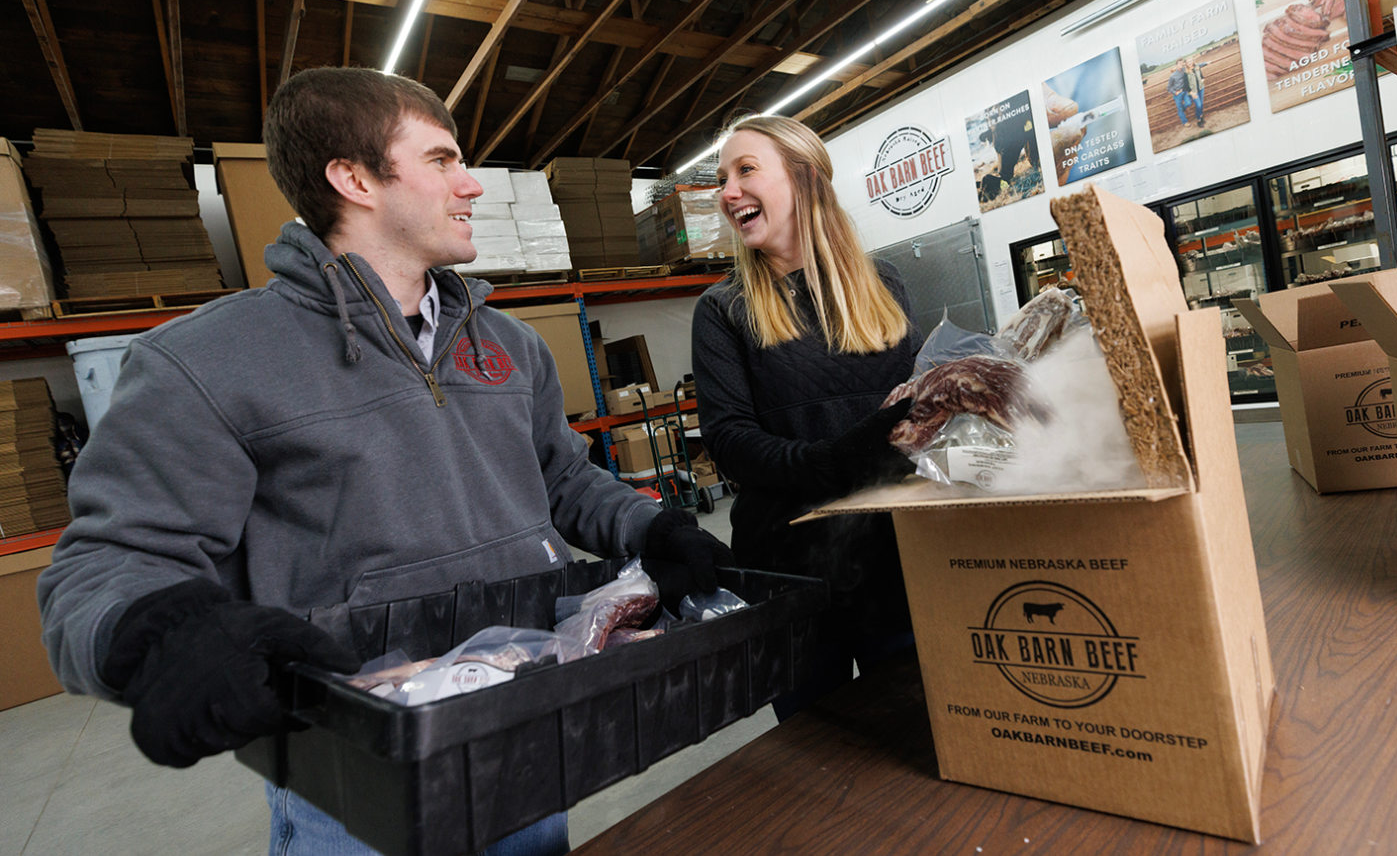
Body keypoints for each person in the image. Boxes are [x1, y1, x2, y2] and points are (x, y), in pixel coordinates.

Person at [36, 66, 725, 856]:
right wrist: (157, 632)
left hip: (527, 717)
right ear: (353, 177)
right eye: (441, 160)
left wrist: (654, 528)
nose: (470, 185)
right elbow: (108, 562)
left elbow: (561, 477)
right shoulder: (206, 361)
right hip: (359, 771)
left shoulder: (508, 344)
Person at [690, 115, 922, 718]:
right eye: (723, 179)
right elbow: (729, 438)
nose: (728, 192)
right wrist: (831, 462)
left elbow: (922, 409)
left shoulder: (884, 284)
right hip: (788, 568)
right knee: (814, 762)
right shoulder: (724, 309)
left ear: (805, 179)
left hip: (896, 557)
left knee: (912, 736)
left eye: (746, 171)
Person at [1183, 57, 1208, 128]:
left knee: (1201, 104)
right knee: (1199, 105)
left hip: (1201, 88)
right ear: (1186, 64)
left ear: (1193, 61)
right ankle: (1199, 120)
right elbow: (1185, 85)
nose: (1190, 63)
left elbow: (1201, 76)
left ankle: (1201, 116)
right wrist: (1191, 93)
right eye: (1188, 62)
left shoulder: (1197, 67)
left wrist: (1202, 80)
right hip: (1194, 92)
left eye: (1191, 61)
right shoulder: (1186, 73)